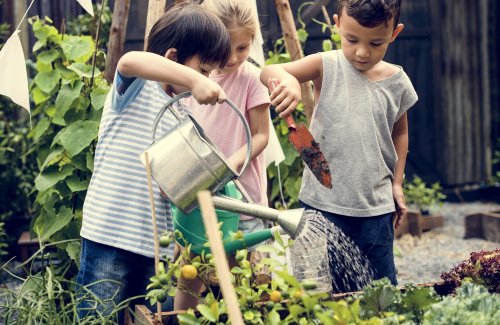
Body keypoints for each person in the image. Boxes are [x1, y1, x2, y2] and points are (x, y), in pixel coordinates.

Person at [76, 3, 231, 323]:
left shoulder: (183, 117)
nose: (204, 80)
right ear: (173, 59)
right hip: (109, 234)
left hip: (154, 247)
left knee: (155, 318)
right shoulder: (136, 89)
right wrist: (194, 80)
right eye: (203, 70)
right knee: (97, 316)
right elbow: (130, 60)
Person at [260, 0, 418, 285]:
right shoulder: (326, 64)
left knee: (380, 290)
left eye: (376, 43)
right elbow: (268, 71)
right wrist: (290, 82)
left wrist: (396, 183)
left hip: (375, 207)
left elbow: (400, 133)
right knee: (317, 288)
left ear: (394, 33)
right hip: (321, 202)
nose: (361, 52)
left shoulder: (398, 81)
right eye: (352, 39)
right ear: (337, 24)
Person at [175, 0, 271, 310]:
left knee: (253, 278)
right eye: (226, 48)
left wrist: (231, 162)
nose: (233, 57)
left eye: (243, 48)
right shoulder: (192, 80)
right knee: (192, 272)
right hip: (201, 197)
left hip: (245, 199)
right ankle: (182, 316)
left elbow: (261, 135)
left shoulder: (251, 79)